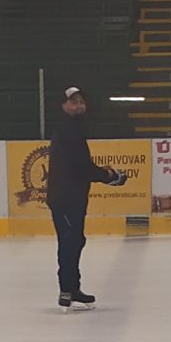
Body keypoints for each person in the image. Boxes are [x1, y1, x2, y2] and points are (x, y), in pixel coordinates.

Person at [46, 85, 123, 311]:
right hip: (64, 198)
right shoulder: (67, 130)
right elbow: (81, 166)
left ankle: (73, 288)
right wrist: (109, 176)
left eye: (81, 102)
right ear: (63, 106)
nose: (79, 106)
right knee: (69, 242)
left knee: (76, 240)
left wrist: (105, 175)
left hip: (74, 196)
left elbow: (81, 166)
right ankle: (66, 290)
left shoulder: (75, 128)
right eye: (73, 102)